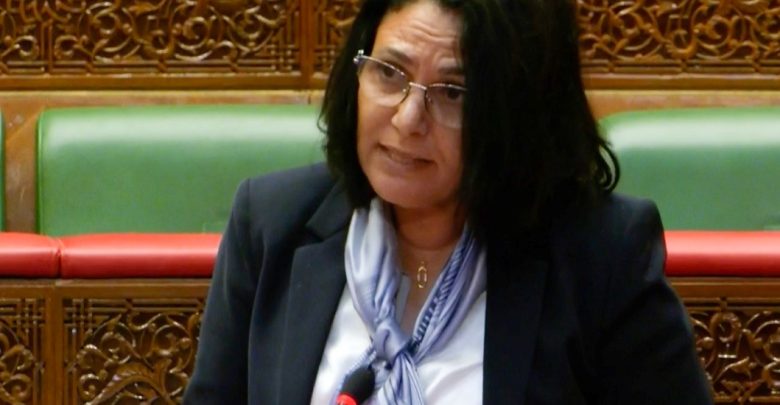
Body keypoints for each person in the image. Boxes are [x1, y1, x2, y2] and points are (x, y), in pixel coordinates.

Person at [184, 0, 713, 403]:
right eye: (389, 73)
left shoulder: (601, 256)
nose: (408, 119)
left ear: (516, 114)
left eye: (453, 93)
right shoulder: (271, 222)